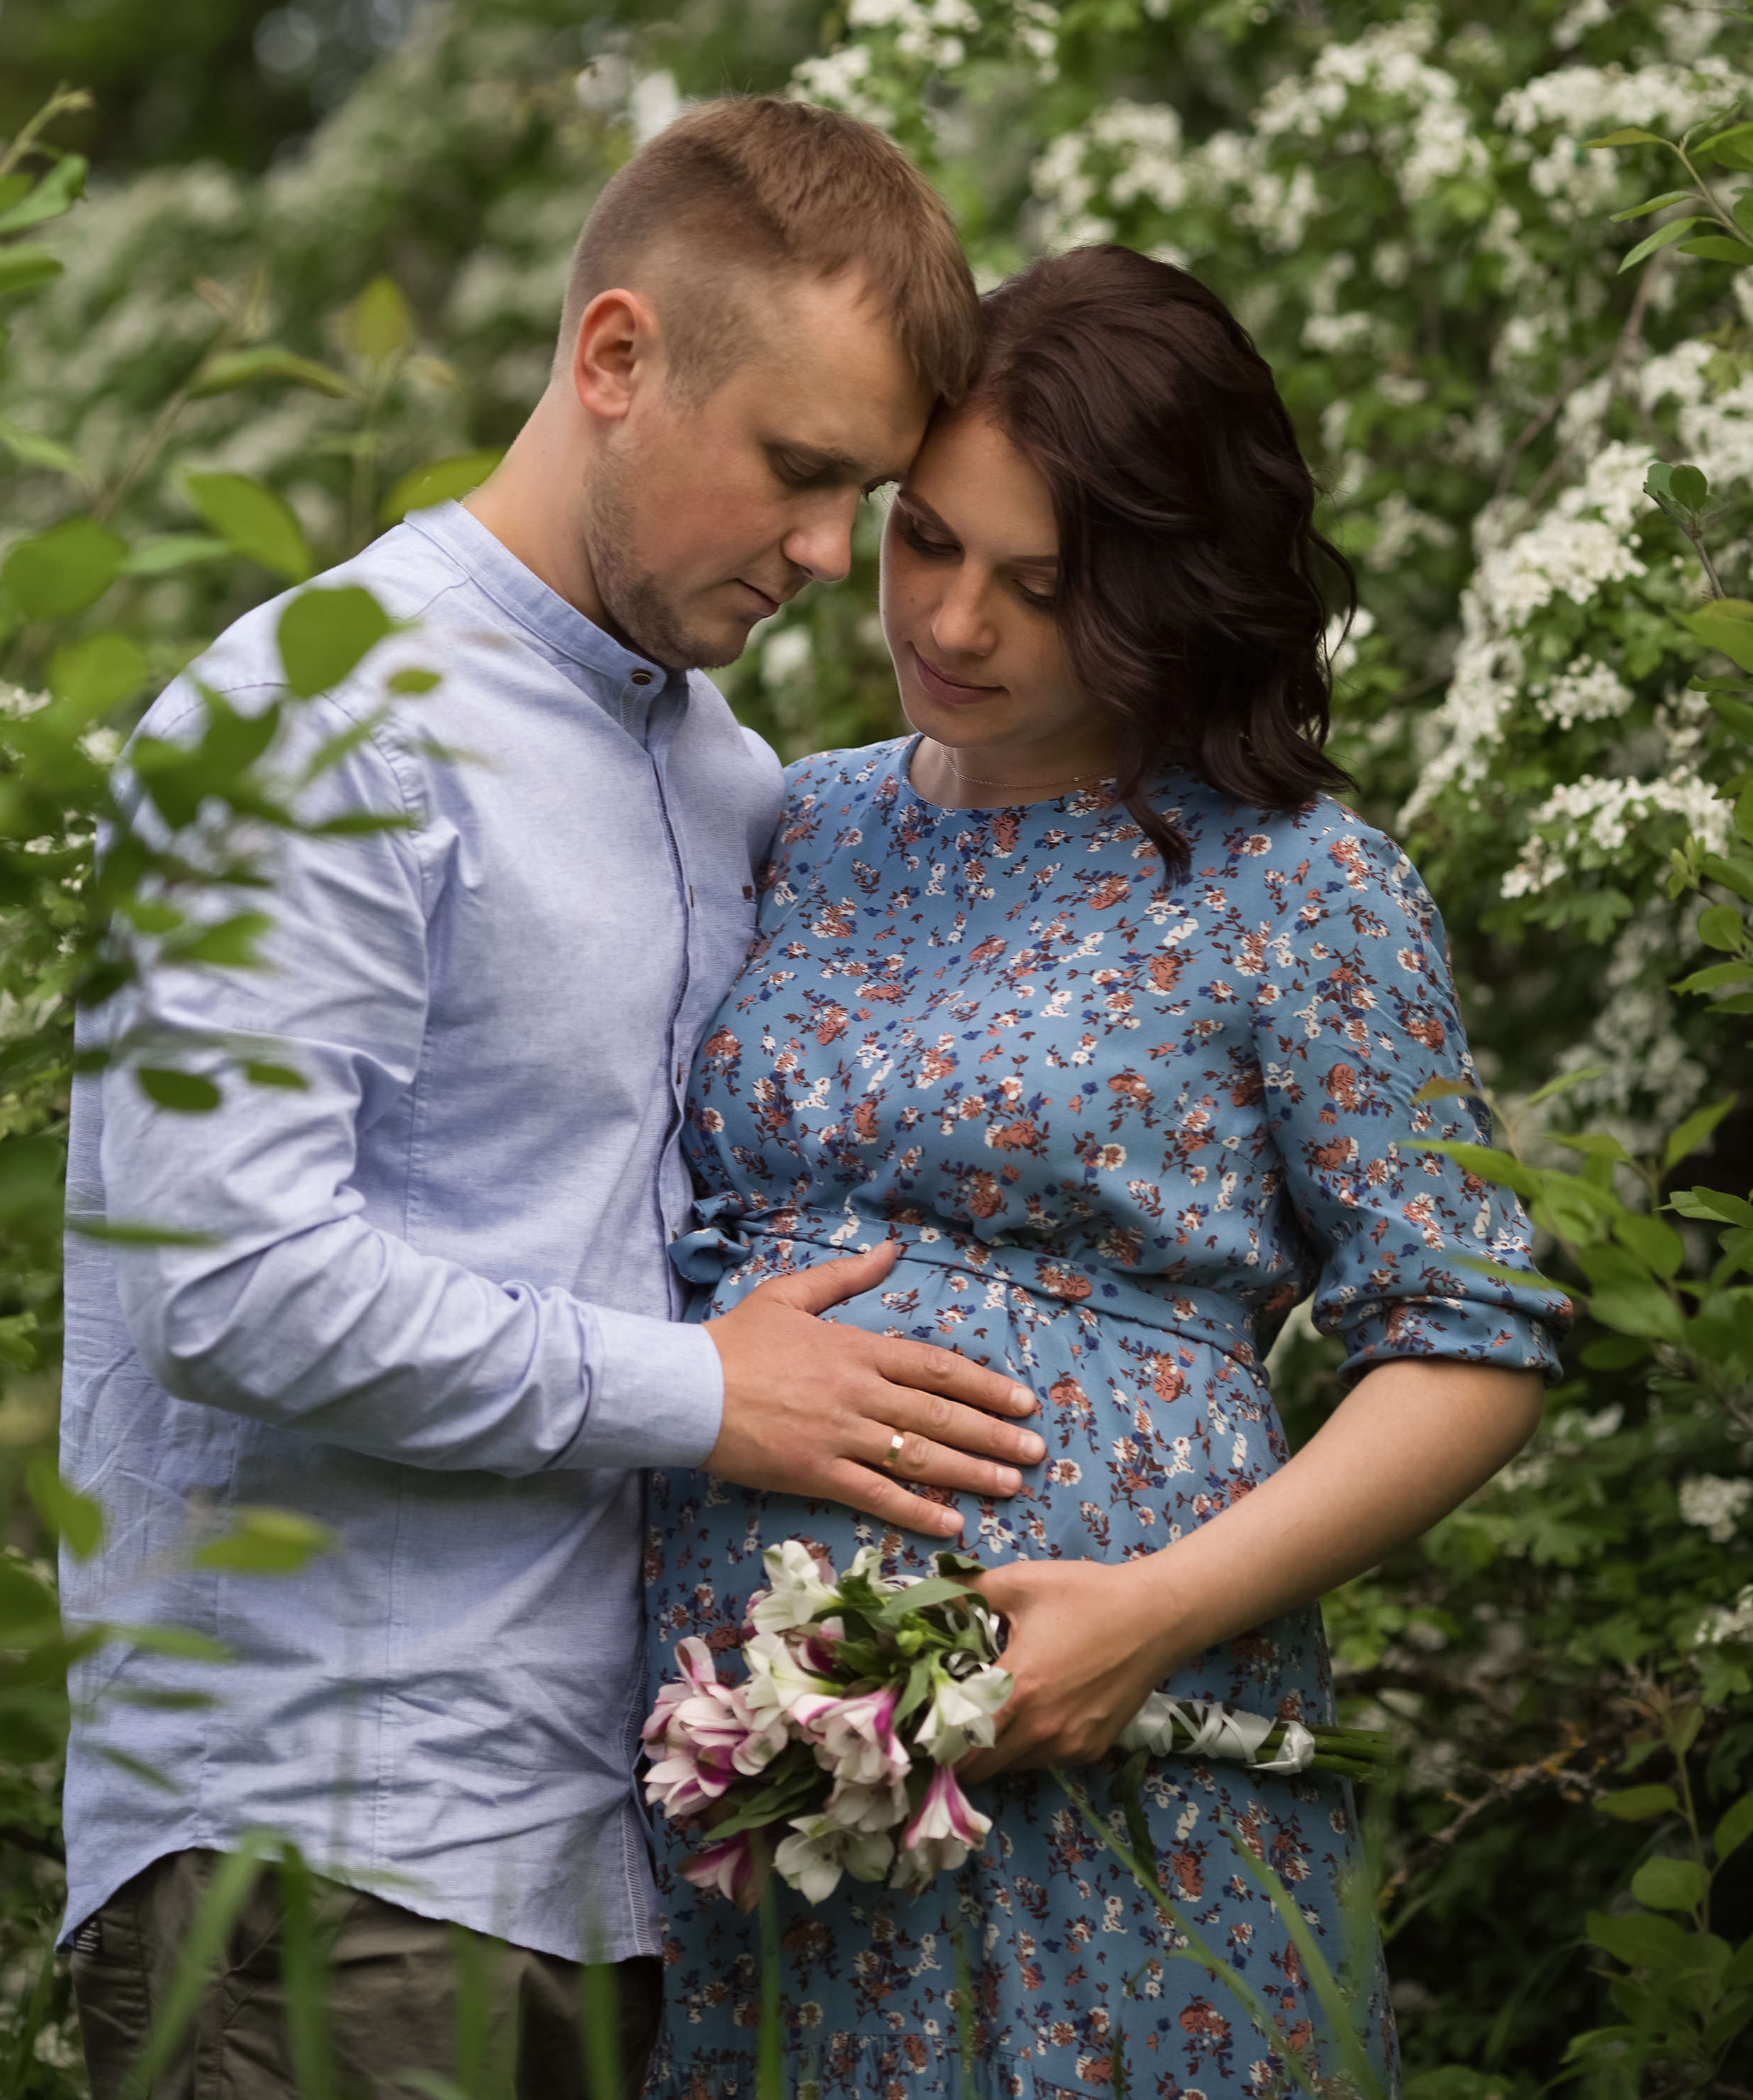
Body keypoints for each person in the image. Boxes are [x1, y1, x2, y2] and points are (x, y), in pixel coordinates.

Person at [59, 97, 1049, 2100]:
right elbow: (228, 1280)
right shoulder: (316, 717)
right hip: (317, 1864)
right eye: (794, 472)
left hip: (618, 1868)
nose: (817, 556)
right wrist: (715, 1392)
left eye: (859, 495)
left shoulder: (726, 775)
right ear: (616, 359)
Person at [645, 244, 1571, 2099]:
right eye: (930, 545)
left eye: (1042, 586)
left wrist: (1151, 1618)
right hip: (751, 1803)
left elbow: (1470, 1339)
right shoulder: (790, 823)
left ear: (1168, 591)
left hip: (1123, 1779)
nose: (957, 623)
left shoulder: (1292, 883)